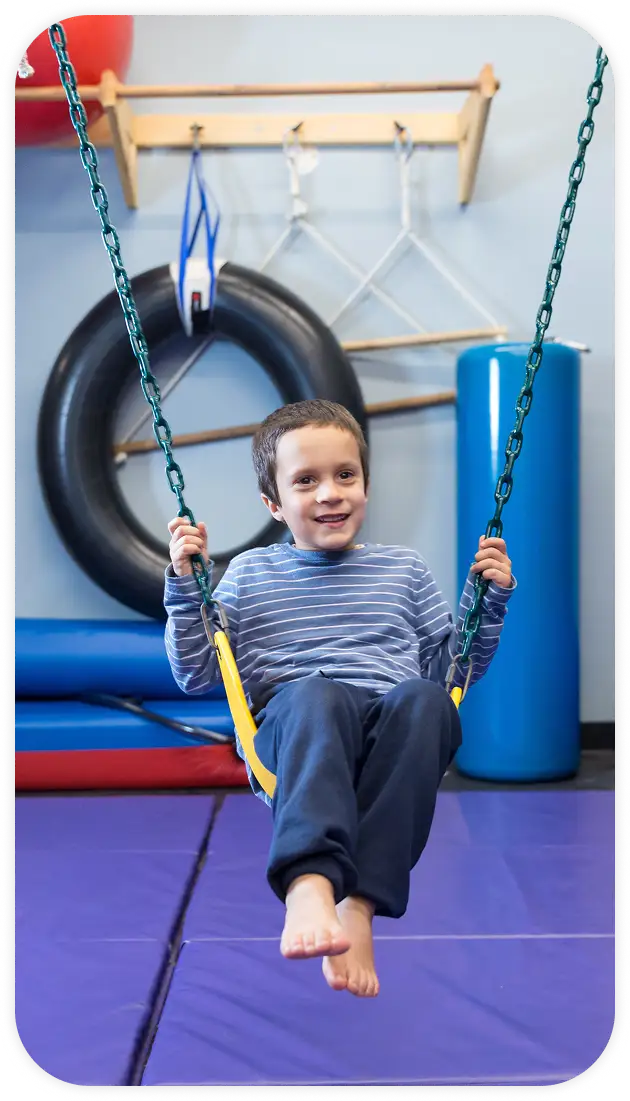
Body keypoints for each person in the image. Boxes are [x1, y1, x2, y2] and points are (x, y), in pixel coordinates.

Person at [164, 399, 515, 997]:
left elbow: (455, 669)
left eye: (345, 475)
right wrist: (182, 587)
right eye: (306, 481)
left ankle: (360, 904)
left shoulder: (403, 571)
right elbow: (198, 674)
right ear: (274, 504)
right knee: (318, 696)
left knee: (429, 701)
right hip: (297, 730)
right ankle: (309, 883)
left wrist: (490, 601)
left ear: (366, 485)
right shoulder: (249, 574)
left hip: (385, 735)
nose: (330, 493)